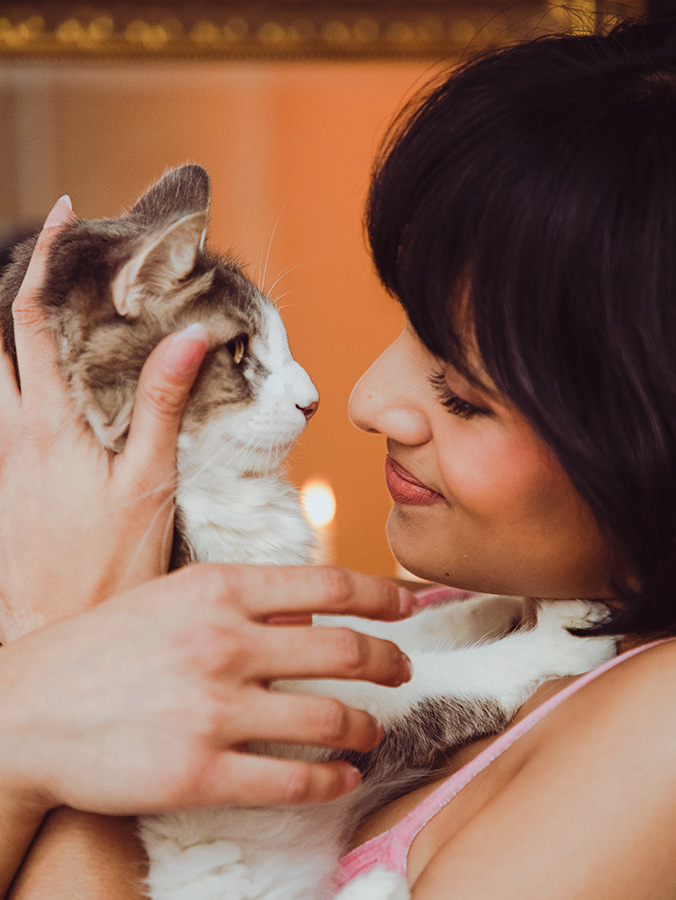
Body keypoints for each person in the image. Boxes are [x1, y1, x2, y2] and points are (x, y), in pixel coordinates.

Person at [4, 14, 676, 899]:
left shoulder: (656, 736)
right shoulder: (469, 609)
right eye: (408, 323)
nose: (364, 402)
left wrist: (72, 670)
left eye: (462, 391)